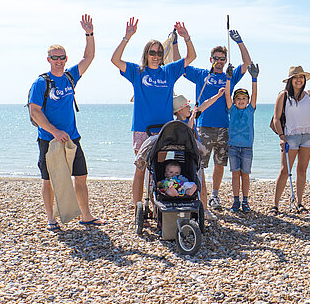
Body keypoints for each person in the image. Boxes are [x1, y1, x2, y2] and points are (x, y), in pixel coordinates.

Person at [28, 14, 105, 231]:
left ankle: (86, 216)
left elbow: (89, 57)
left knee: (81, 176)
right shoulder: (41, 82)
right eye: (55, 57)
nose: (59, 60)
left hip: (72, 137)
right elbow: (35, 112)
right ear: (48, 59)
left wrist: (89, 34)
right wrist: (54, 131)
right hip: (49, 140)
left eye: (62, 57)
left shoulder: (70, 77)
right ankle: (51, 218)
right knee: (49, 181)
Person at [111, 17, 196, 204]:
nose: (156, 56)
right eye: (152, 52)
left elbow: (191, 57)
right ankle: (137, 205)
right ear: (146, 54)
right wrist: (127, 37)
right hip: (142, 128)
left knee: (159, 168)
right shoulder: (137, 72)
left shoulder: (169, 71)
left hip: (164, 130)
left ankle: (157, 203)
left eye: (159, 52)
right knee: (141, 167)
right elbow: (115, 59)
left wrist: (186, 37)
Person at [179, 29, 251, 212]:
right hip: (203, 127)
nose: (219, 62)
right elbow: (180, 65)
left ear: (225, 60)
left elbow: (247, 63)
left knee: (220, 165)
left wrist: (239, 41)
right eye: (216, 58)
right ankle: (198, 195)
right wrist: (176, 43)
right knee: (200, 165)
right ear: (211, 59)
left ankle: (215, 196)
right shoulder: (201, 74)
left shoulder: (230, 75)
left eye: (222, 59)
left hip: (224, 128)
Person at [269, 66, 310, 215]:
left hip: (308, 135)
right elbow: (276, 119)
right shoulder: (283, 95)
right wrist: (281, 137)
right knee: (285, 171)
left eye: (301, 77)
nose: (299, 80)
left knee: (302, 170)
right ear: (290, 80)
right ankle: (275, 205)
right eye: (296, 77)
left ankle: (299, 203)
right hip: (290, 136)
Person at [172, 90, 225, 221]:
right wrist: (191, 118)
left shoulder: (191, 117)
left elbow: (205, 104)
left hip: (195, 157)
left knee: (201, 182)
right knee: (183, 183)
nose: (190, 108)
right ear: (180, 111)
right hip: (184, 158)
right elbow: (187, 132)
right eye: (187, 107)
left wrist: (217, 95)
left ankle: (205, 209)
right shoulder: (179, 124)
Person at [224, 63, 259, 213]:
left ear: (247, 100)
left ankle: (245, 201)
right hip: (232, 147)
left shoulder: (250, 110)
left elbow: (255, 94)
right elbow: (226, 94)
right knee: (235, 174)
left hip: (246, 147)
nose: (240, 100)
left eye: (244, 98)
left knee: (245, 175)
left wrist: (254, 78)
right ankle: (236, 201)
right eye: (238, 98)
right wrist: (228, 79)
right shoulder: (232, 109)